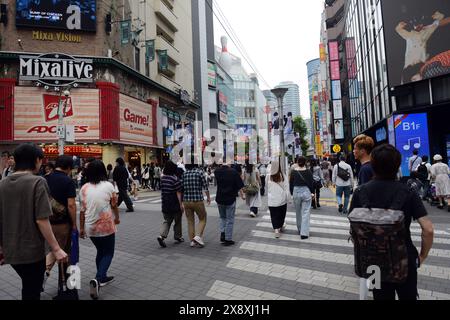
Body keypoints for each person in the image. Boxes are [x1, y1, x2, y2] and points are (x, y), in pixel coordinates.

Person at [349, 144, 434, 300]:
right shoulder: (407, 192)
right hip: (404, 259)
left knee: (380, 297)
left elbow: (355, 230)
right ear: (397, 165)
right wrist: (421, 256)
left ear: (373, 164)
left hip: (374, 262)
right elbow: (428, 229)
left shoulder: (360, 192)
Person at [0, 144, 68, 300]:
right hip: (32, 251)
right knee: (32, 290)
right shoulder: (38, 182)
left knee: (29, 285)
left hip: (11, 250)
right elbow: (42, 219)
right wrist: (56, 248)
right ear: (37, 160)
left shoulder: (2, 183)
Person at [79, 160, 120, 300]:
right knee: (108, 253)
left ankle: (102, 276)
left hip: (90, 227)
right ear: (103, 171)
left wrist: (81, 228)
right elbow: (114, 205)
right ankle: (98, 279)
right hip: (106, 225)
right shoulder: (109, 186)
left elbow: (82, 211)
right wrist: (117, 218)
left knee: (100, 251)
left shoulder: (84, 188)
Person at [44, 155, 78, 299]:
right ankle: (66, 291)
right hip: (63, 225)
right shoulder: (68, 181)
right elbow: (71, 205)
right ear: (69, 167)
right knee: (66, 257)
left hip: (47, 224)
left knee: (53, 251)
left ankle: (46, 274)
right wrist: (75, 224)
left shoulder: (45, 178)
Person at [215, 161, 245, 246]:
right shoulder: (233, 172)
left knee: (222, 217)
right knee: (230, 219)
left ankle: (222, 233)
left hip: (220, 198)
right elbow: (240, 185)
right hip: (230, 198)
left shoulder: (217, 171)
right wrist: (242, 195)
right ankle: (228, 239)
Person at [182, 164, 211, 248]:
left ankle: (192, 241)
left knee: (190, 221)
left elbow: (182, 188)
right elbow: (205, 187)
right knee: (203, 218)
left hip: (186, 201)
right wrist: (208, 198)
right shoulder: (200, 173)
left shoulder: (184, 174)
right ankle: (198, 237)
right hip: (197, 200)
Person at [157, 161, 185, 248]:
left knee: (167, 220)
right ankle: (178, 236)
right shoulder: (175, 179)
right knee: (177, 220)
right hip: (174, 203)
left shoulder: (163, 178)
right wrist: (181, 204)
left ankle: (161, 236)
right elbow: (178, 193)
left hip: (165, 202)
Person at [290, 156, 314, 240]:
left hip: (296, 191)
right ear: (305, 163)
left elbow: (291, 183)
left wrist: (291, 193)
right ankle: (304, 233)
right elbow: (311, 183)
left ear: (297, 162)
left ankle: (300, 228)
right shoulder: (308, 171)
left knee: (298, 212)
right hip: (306, 191)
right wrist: (312, 192)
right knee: (306, 212)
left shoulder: (293, 172)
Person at [267, 160, 289, 239]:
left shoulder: (268, 176)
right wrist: (288, 198)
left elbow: (267, 187)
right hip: (281, 199)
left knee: (273, 215)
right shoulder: (282, 175)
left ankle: (276, 230)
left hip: (272, 199)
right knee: (281, 214)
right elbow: (286, 187)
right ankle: (279, 226)